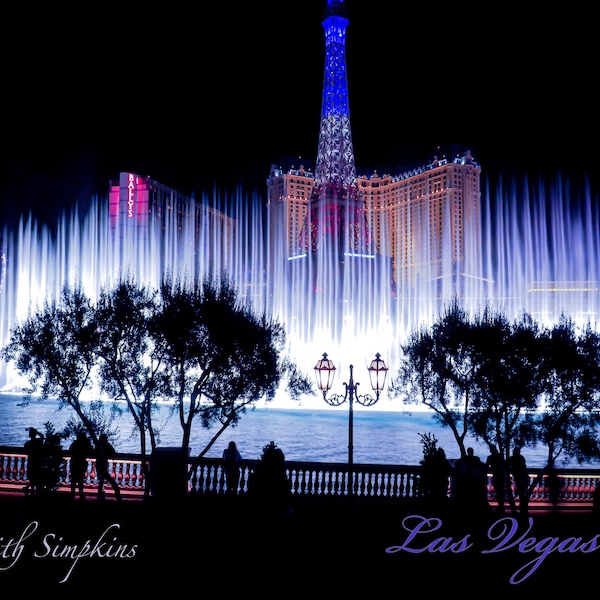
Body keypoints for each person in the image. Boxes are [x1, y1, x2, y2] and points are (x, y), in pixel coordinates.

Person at [68, 431, 93, 500]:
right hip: (80, 463)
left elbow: (70, 450)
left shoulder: (76, 443)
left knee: (75, 480)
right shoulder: (85, 444)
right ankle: (80, 494)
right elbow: (90, 451)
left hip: (75, 463)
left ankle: (73, 494)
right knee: (80, 480)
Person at [486, 445, 507, 514]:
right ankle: (501, 506)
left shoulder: (491, 457)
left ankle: (500, 507)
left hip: (497, 476)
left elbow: (486, 466)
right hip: (501, 475)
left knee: (498, 491)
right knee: (500, 491)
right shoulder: (500, 456)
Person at [23, 427, 44, 496]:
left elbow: (25, 451)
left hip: (31, 461)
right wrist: (36, 431)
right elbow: (42, 436)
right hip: (38, 461)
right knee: (37, 477)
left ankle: (31, 491)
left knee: (32, 477)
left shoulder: (28, 444)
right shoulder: (38, 442)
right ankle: (34, 491)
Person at [95, 433, 116, 499]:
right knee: (103, 479)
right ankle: (101, 493)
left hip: (98, 463)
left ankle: (100, 493)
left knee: (101, 479)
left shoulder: (98, 445)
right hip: (103, 464)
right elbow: (113, 452)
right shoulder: (106, 445)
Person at [510, 447, 529, 515]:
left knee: (521, 493)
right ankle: (522, 508)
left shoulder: (513, 459)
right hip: (522, 477)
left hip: (520, 478)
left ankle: (522, 508)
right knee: (522, 493)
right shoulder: (521, 458)